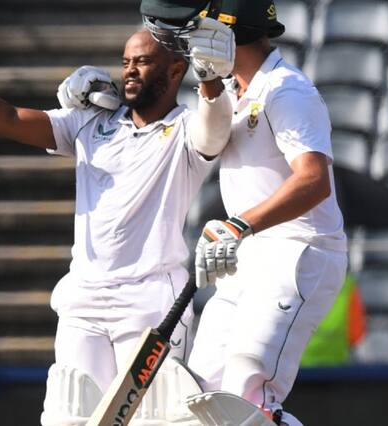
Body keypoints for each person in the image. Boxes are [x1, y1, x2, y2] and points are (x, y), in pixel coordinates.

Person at [0, 21, 235, 425]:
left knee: (155, 419)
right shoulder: (90, 121)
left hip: (150, 302)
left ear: (176, 70)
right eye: (126, 62)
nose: (129, 71)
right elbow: (9, 119)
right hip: (85, 298)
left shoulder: (186, 130)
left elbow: (216, 129)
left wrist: (209, 75)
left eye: (142, 62)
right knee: (68, 417)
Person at [139, 0, 349, 425]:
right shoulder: (232, 90)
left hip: (298, 251)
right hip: (249, 256)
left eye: (201, 30)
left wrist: (239, 224)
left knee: (246, 395)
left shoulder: (286, 89)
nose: (191, 42)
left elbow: (314, 180)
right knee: (200, 400)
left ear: (228, 33)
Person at [300, 273, 366, 367]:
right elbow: (356, 335)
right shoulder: (348, 286)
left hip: (299, 369)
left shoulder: (295, 281)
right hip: (336, 369)